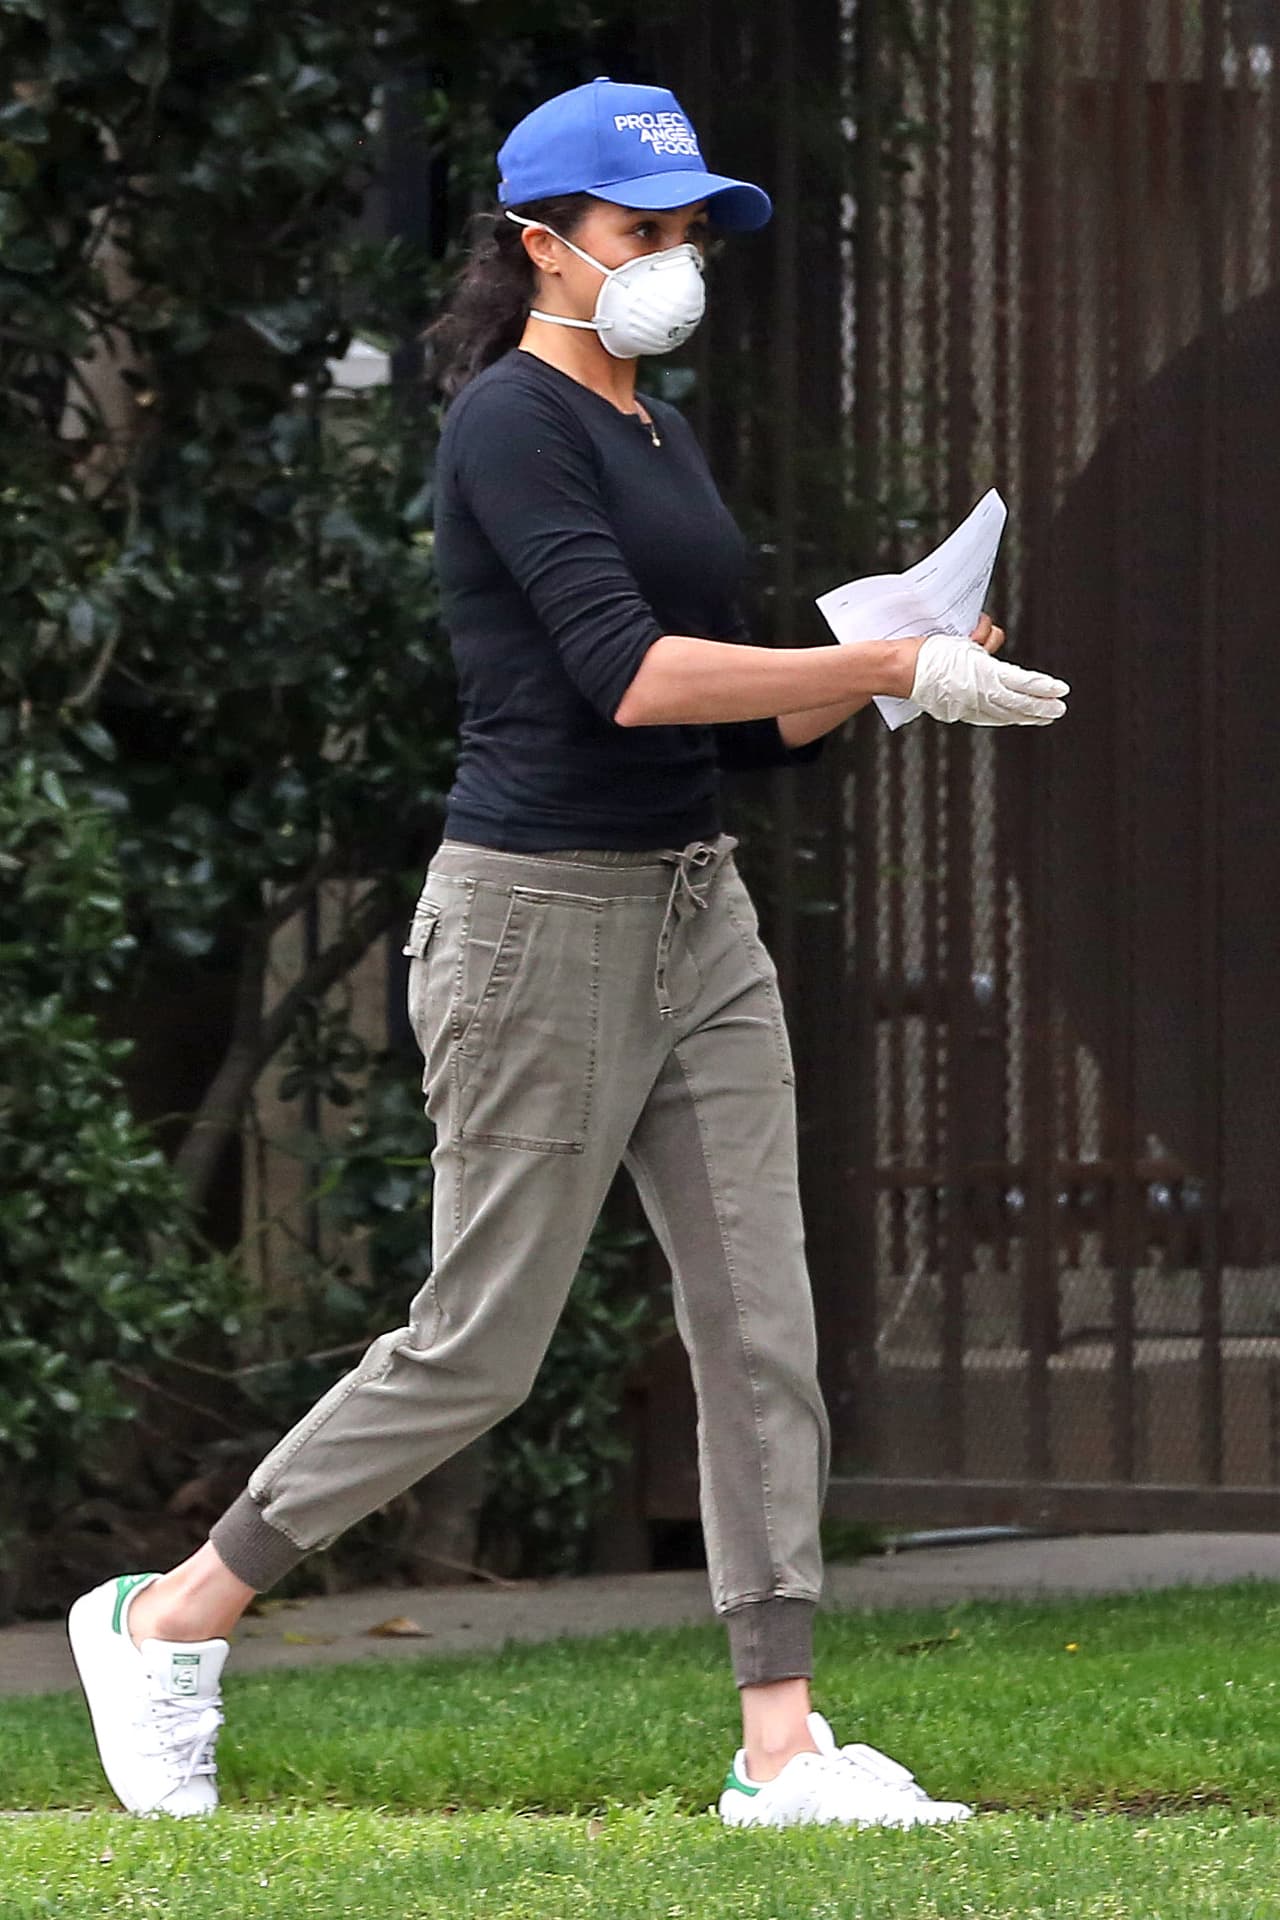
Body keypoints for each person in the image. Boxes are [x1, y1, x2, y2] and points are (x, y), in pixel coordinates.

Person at [66, 75, 1068, 1828]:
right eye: (640, 228)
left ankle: (782, 1748)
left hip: (699, 912)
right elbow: (626, 674)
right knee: (483, 1343)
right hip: (536, 917)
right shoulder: (508, 428)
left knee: (764, 1325)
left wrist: (889, 654)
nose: (673, 259)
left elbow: (736, 734)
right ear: (540, 242)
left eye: (689, 230)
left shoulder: (660, 437)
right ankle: (169, 1616)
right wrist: (875, 671)